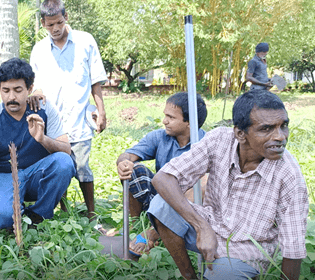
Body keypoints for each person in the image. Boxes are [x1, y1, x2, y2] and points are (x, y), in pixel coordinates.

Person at [148, 90, 307, 280]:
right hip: (211, 224)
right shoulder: (220, 140)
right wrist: (202, 227)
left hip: (247, 249)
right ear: (240, 134)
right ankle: (190, 277)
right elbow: (163, 178)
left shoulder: (289, 175)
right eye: (266, 129)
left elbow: (293, 247)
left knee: (223, 274)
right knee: (160, 206)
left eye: (284, 126)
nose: (280, 137)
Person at [0, 58, 75, 229]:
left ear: (30, 89)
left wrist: (42, 138)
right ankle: (8, 209)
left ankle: (37, 215)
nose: (11, 97)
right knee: (3, 219)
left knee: (64, 162)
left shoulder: (43, 110)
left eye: (18, 90)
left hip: (38, 175)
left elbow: (66, 151)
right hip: (4, 175)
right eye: (5, 90)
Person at [29, 0, 108, 219]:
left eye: (59, 23)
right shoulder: (39, 50)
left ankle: (92, 214)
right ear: (43, 23)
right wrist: (36, 91)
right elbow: (35, 83)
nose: (55, 29)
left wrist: (101, 111)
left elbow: (96, 81)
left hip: (79, 119)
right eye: (50, 24)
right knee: (59, 167)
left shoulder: (85, 41)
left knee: (82, 168)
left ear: (66, 18)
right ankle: (64, 212)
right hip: (52, 123)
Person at [116, 92, 208, 256]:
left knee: (201, 184)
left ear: (189, 122)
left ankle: (153, 232)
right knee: (134, 169)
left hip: (190, 206)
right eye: (165, 115)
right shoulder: (159, 137)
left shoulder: (206, 144)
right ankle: (137, 223)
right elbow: (129, 155)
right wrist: (123, 162)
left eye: (171, 117)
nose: (164, 120)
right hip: (159, 198)